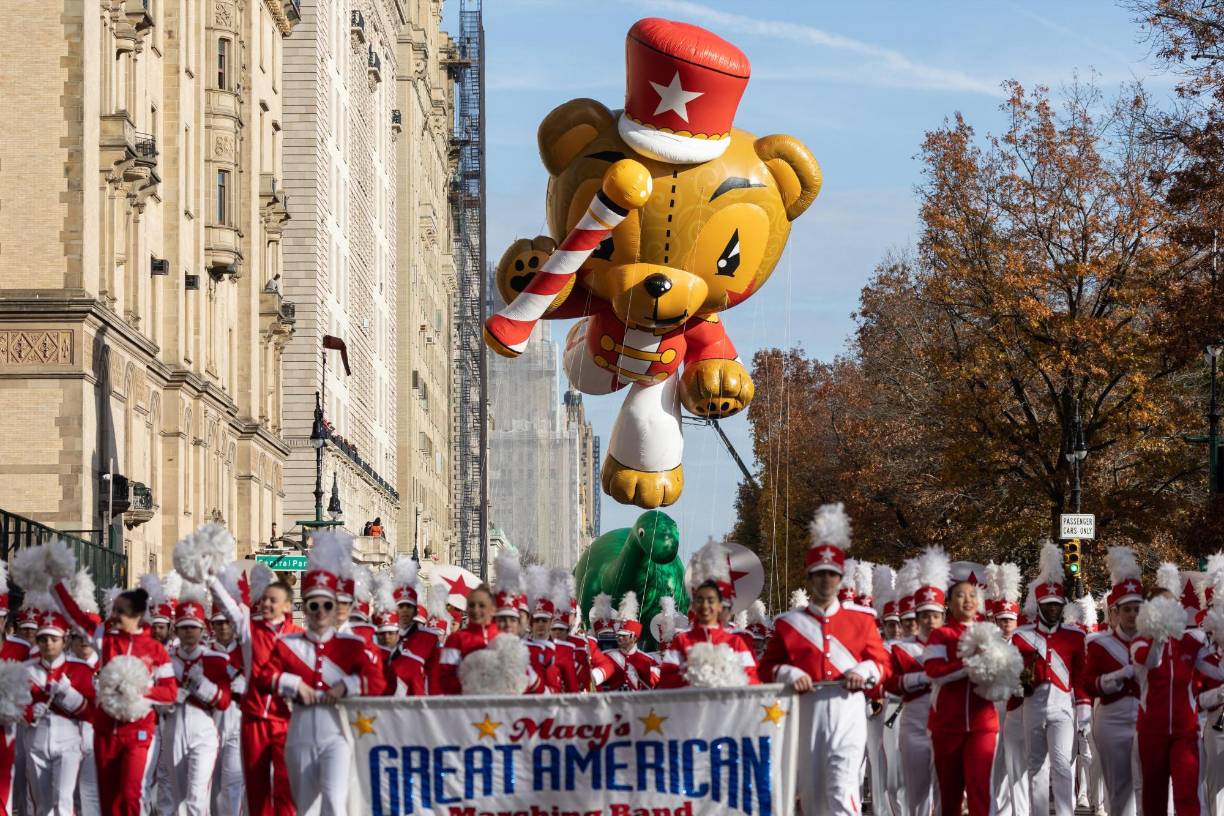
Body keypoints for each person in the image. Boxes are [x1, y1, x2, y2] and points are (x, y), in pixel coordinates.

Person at [757, 504, 887, 816]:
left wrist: (864, 670)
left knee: (842, 792)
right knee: (813, 797)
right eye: (819, 575)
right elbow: (766, 669)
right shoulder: (789, 623)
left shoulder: (862, 620)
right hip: (807, 710)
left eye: (832, 574)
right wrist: (788, 673)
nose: (826, 581)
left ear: (840, 578)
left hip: (848, 709)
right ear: (810, 579)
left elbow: (883, 665)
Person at [255, 532, 383, 815]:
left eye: (328, 605)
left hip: (336, 730)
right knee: (305, 808)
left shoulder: (351, 644)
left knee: (335, 804)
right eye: (314, 605)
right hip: (299, 729)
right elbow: (264, 677)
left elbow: (376, 681)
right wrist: (293, 685)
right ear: (306, 608)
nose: (321, 612)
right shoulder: (288, 644)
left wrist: (345, 687)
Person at [52, 574, 178, 816]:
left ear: (137, 616)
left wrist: (140, 691)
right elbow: (75, 618)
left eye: (120, 611)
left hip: (138, 731)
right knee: (108, 798)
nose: (113, 616)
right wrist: (56, 583)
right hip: (105, 730)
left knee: (131, 795)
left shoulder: (155, 650)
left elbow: (170, 692)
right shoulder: (106, 641)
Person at [207, 561, 302, 816]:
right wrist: (211, 577)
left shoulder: (297, 636)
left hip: (284, 721)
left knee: (285, 786)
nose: (267, 604)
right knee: (256, 787)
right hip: (254, 720)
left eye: (274, 600)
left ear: (287, 606)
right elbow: (229, 606)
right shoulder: (249, 629)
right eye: (265, 600)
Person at [1131, 578, 1224, 816]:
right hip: (1152, 731)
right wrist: (1160, 635)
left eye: (1174, 605)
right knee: (1154, 796)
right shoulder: (1140, 640)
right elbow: (1151, 661)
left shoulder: (1192, 640)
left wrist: (1220, 644)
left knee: (1187, 794)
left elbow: (1216, 671)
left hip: (1186, 731)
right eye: (1164, 606)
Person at [1013, 542, 1088, 816]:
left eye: (1057, 605)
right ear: (1040, 605)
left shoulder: (1075, 637)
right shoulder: (1021, 636)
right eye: (1049, 605)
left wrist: (1084, 710)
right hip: (1032, 705)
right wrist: (1018, 683)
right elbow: (1012, 676)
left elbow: (1080, 677)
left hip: (1063, 707)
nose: (1054, 609)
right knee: (1036, 767)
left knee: (1062, 765)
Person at [924, 578, 998, 816]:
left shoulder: (991, 632)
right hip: (947, 725)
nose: (968, 600)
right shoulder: (940, 635)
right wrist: (970, 662)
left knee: (980, 788)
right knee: (950, 792)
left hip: (982, 724)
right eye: (960, 595)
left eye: (972, 595)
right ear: (949, 602)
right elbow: (934, 672)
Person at [1082, 547, 1142, 816]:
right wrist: (1115, 679)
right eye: (1126, 609)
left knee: (1146, 787)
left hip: (1145, 719)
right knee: (1118, 790)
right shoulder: (1099, 643)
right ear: (1115, 611)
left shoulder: (1152, 642)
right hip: (1111, 718)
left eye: (1136, 609)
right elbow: (1088, 683)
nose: (1132, 615)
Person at [886, 550, 945, 816]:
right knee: (917, 792)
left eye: (935, 615)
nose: (930, 621)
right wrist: (923, 677)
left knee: (945, 790)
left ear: (943, 617)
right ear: (917, 617)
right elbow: (892, 683)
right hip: (914, 723)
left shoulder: (956, 646)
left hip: (947, 724)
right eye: (925, 615)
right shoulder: (900, 648)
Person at [163, 585, 232, 816]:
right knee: (179, 795)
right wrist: (168, 698)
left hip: (203, 728)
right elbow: (154, 699)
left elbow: (223, 701)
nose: (188, 632)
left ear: (202, 629)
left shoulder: (216, 660)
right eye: (184, 628)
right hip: (173, 727)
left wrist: (201, 686)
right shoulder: (166, 661)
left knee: (196, 796)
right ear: (177, 630)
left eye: (193, 627)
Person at [23, 605, 94, 816]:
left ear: (64, 640)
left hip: (69, 742)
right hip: (36, 740)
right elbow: (11, 705)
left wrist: (70, 694)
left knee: (63, 803)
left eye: (54, 639)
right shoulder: (26, 670)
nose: (48, 644)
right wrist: (28, 713)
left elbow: (91, 712)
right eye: (43, 639)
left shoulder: (80, 669)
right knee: (41, 806)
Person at [661, 539, 760, 689]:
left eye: (710, 600)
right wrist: (694, 679)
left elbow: (753, 680)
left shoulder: (736, 642)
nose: (705, 606)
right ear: (694, 605)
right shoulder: (681, 641)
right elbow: (666, 680)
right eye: (700, 600)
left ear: (720, 606)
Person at [208, 601, 245, 816]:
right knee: (212, 783)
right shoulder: (205, 653)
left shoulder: (245, 652)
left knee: (232, 784)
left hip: (237, 722)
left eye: (227, 622)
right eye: (218, 623)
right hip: (210, 724)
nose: (223, 627)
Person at [383, 557, 440, 696]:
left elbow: (435, 675)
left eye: (409, 606)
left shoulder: (429, 638)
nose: (405, 610)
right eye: (401, 606)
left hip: (416, 702)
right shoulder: (383, 634)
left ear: (415, 610)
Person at [594, 592, 659, 691]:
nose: (620, 638)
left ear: (635, 638)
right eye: (619, 635)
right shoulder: (606, 656)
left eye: (624, 636)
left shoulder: (648, 660)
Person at [66, 630, 100, 816]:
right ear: (70, 639)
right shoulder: (62, 664)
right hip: (66, 736)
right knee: (65, 794)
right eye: (79, 637)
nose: (84, 641)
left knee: (91, 793)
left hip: (95, 735)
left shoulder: (105, 663)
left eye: (88, 636)